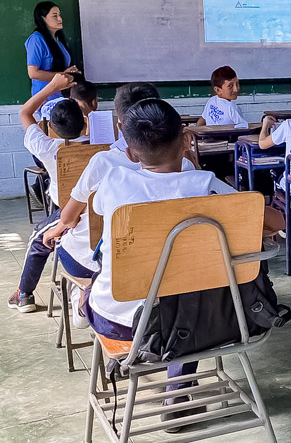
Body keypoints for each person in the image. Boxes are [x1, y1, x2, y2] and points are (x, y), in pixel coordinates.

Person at [84, 98, 235, 431]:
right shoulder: (206, 186)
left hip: (119, 323)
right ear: (185, 139)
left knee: (100, 281)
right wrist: (193, 166)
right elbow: (272, 220)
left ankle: (96, 326)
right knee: (188, 294)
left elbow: (96, 211)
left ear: (131, 152)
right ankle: (177, 393)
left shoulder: (114, 183)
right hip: (193, 323)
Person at [38, 83, 195, 328]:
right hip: (174, 275)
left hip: (110, 276)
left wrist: (59, 227)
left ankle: (83, 298)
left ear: (121, 127)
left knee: (65, 241)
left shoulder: (105, 166)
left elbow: (69, 219)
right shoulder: (189, 171)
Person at [7, 73, 88, 313]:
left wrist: (52, 86)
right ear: (85, 121)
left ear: (51, 128)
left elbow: (24, 113)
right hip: (97, 207)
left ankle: (24, 294)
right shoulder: (103, 145)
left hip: (68, 211)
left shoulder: (48, 147)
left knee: (36, 239)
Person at [25, 1, 76, 99]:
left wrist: (71, 73)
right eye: (54, 16)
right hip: (46, 97)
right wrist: (63, 75)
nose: (60, 19)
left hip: (63, 95)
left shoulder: (59, 40)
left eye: (59, 15)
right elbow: (33, 73)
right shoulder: (36, 39)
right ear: (43, 18)